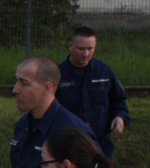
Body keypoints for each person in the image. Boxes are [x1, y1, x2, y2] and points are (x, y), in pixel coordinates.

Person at [9, 56, 93, 168]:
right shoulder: (23, 125)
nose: (15, 89)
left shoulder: (72, 131)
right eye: (16, 81)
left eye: (24, 83)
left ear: (46, 88)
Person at [56, 26, 130, 159]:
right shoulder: (58, 74)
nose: (86, 54)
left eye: (90, 48)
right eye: (81, 49)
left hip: (100, 144)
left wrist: (120, 117)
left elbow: (118, 100)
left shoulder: (104, 71)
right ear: (70, 46)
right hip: (69, 144)